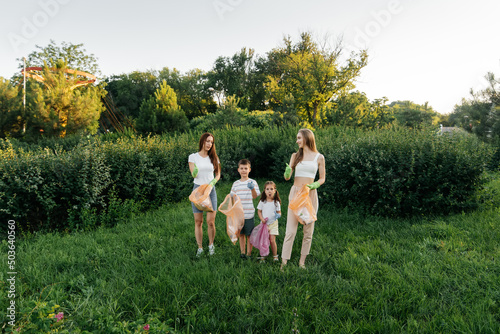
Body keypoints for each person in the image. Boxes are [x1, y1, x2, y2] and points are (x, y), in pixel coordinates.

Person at [281, 128, 326, 269]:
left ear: (307, 138)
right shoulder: (295, 156)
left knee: (308, 231)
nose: (297, 140)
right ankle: (284, 263)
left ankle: (302, 262)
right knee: (290, 231)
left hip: (310, 195)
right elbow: (287, 177)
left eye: (299, 138)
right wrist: (287, 172)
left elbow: (323, 178)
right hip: (296, 194)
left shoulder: (319, 157)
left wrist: (314, 185)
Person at [188, 132, 221, 257]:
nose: (209, 144)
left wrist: (213, 182)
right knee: (198, 221)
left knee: (211, 222)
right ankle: (200, 247)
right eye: (207, 141)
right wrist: (195, 171)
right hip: (198, 190)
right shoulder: (193, 157)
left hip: (210, 190)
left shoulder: (214, 157)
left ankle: (211, 245)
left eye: (211, 142)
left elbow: (218, 174)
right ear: (202, 141)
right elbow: (193, 173)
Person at [231, 159, 260, 260]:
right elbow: (233, 198)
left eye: (245, 168)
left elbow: (255, 196)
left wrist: (252, 188)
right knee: (241, 234)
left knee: (249, 235)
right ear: (238, 170)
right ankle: (242, 253)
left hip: (249, 213)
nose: (244, 170)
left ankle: (249, 253)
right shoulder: (235, 184)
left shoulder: (253, 182)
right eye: (242, 168)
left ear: (249, 170)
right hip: (239, 214)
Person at [257, 181, 282, 262]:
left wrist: (278, 215)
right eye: (267, 189)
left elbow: (279, 212)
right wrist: (262, 219)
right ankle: (263, 256)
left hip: (273, 224)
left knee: (272, 240)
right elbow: (259, 211)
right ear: (264, 191)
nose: (269, 191)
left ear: (275, 190)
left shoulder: (276, 203)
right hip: (264, 224)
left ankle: (275, 256)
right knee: (264, 240)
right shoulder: (262, 202)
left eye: (271, 189)